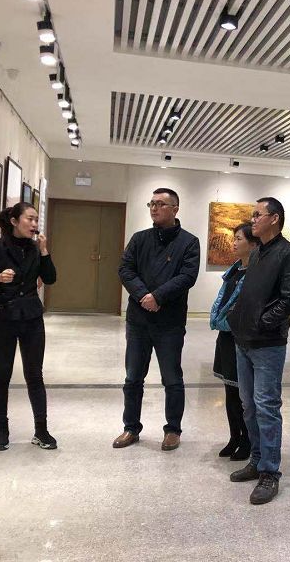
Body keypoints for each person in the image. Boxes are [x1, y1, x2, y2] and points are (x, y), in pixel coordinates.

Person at [227, 197, 290, 505]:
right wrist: (238, 318)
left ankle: (270, 472)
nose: (253, 219)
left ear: (275, 218)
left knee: (267, 407)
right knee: (248, 405)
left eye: (258, 214)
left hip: (268, 344)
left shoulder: (288, 253)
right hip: (244, 341)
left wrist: (261, 323)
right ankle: (257, 460)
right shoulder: (258, 251)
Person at [113, 188, 200, 451]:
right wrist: (144, 296)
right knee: (133, 378)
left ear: (175, 209)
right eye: (151, 203)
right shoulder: (139, 239)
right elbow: (125, 269)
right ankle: (131, 428)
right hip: (138, 321)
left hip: (169, 323)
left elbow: (187, 277)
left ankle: (173, 430)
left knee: (172, 378)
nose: (154, 208)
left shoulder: (189, 242)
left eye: (161, 204)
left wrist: (158, 297)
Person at [0, 203, 57, 451]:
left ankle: (41, 430)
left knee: (35, 375)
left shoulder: (35, 248)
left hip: (31, 318)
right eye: (29, 219)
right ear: (14, 221)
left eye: (36, 220)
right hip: (3, 318)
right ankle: (1, 429)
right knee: (2, 374)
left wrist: (44, 251)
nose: (34, 224)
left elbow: (50, 278)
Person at [209, 223, 260, 461]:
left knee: (244, 394)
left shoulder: (257, 273)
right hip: (226, 336)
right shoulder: (234, 270)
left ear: (253, 244)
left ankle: (248, 440)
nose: (234, 243)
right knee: (230, 391)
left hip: (242, 338)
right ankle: (234, 437)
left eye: (239, 239)